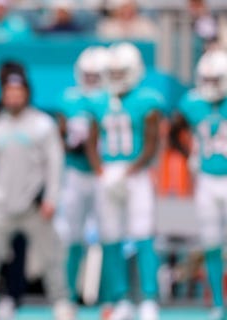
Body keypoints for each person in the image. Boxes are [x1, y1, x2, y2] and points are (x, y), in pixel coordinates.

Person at [0, 61, 73, 320]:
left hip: (34, 206)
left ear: (26, 94)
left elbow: (55, 164)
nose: (14, 97)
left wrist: (52, 197)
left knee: (51, 256)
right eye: (9, 93)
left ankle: (61, 301)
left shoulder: (43, 125)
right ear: (4, 95)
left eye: (18, 93)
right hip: (1, 206)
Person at [85, 42, 163, 320]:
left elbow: (153, 143)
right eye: (113, 72)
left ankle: (149, 299)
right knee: (110, 237)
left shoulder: (147, 99)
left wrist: (132, 169)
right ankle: (120, 298)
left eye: (121, 72)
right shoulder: (99, 100)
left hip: (137, 173)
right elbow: (92, 142)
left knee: (143, 235)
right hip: (109, 173)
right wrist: (100, 171)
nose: (116, 77)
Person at [170, 49, 227, 320]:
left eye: (216, 80)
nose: (210, 86)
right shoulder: (192, 102)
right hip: (206, 180)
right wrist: (189, 153)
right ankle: (218, 302)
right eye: (207, 79)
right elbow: (173, 129)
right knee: (211, 243)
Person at [55, 46, 109, 305]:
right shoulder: (69, 98)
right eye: (87, 74)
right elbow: (61, 134)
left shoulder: (111, 98)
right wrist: (71, 143)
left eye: (95, 75)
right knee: (72, 235)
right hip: (75, 172)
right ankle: (67, 294)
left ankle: (110, 296)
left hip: (103, 173)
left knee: (110, 234)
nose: (90, 80)